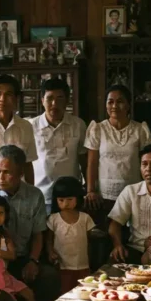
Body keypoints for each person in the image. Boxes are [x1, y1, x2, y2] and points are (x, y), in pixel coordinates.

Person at [0, 145, 62, 301]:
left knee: (49, 277)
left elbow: (38, 235)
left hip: (21, 257)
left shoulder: (34, 196)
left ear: (20, 174)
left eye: (7, 172)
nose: (0, 177)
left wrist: (33, 261)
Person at [84, 84, 151, 226]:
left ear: (128, 105)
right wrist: (91, 190)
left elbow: (147, 163)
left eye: (120, 101)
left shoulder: (140, 130)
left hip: (134, 194)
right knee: (107, 237)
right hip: (104, 196)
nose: (114, 106)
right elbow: (92, 163)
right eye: (110, 102)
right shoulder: (98, 129)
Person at [27, 78, 87, 210]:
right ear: (42, 100)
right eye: (49, 98)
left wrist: (88, 187)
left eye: (60, 98)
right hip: (41, 196)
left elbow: (83, 158)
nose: (54, 104)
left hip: (70, 196)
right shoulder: (31, 126)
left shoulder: (78, 125)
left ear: (67, 101)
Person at [45, 176, 95, 294]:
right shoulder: (53, 219)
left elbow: (90, 240)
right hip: (62, 264)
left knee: (83, 290)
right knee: (64, 291)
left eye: (69, 199)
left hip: (82, 263)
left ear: (77, 198)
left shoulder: (85, 218)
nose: (65, 203)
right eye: (61, 200)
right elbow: (49, 240)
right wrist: (50, 252)